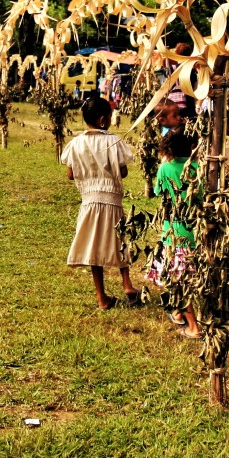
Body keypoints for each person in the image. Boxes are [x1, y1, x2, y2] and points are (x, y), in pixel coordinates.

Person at [61, 95, 139, 310]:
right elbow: (122, 172)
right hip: (112, 200)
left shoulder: (76, 144)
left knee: (93, 247)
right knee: (120, 241)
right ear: (104, 119)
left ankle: (101, 297)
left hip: (89, 201)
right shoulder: (113, 142)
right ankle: (127, 285)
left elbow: (70, 174)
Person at [150, 132, 201, 339]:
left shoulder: (164, 169)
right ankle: (179, 313)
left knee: (180, 279)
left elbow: (158, 191)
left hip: (173, 232)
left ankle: (194, 327)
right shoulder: (198, 169)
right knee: (187, 274)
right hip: (194, 231)